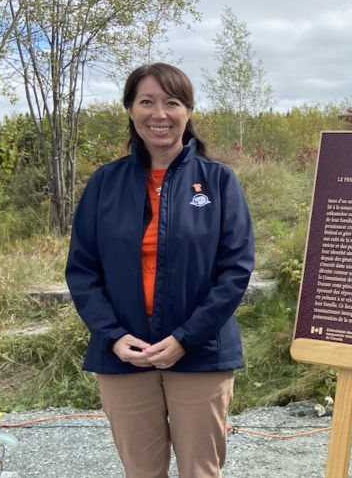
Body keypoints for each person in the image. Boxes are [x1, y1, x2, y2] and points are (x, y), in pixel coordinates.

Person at [66, 63, 254, 478]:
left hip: (200, 352)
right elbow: (82, 270)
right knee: (141, 471)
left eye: (172, 102)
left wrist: (186, 337)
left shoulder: (219, 182)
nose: (159, 114)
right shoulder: (104, 183)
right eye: (146, 102)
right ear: (131, 110)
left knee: (200, 470)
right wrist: (113, 337)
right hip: (124, 354)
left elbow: (235, 270)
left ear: (187, 110)